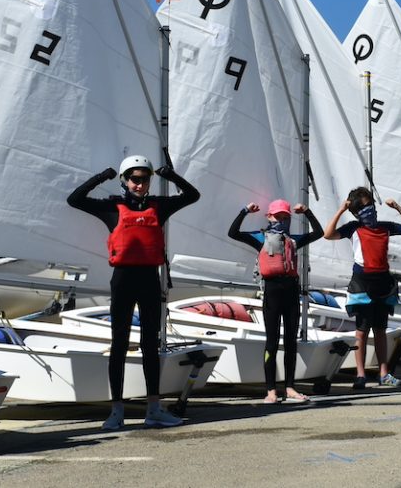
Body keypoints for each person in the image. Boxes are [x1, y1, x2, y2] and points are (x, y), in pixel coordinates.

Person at [67, 155, 199, 430]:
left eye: (145, 179)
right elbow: (75, 199)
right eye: (134, 179)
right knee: (119, 345)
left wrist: (170, 176)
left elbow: (192, 195)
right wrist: (102, 176)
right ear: (125, 181)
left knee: (150, 345)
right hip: (123, 279)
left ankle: (154, 409)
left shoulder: (158, 206)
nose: (140, 184)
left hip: (149, 279)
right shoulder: (111, 206)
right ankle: (116, 412)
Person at [228, 198, 323, 403]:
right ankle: (270, 390)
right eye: (277, 216)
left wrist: (307, 212)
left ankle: (290, 387)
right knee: (271, 342)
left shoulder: (294, 240)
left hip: (290, 292)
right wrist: (245, 210)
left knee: (291, 342)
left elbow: (319, 233)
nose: (281, 220)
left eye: (285, 217)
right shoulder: (260, 237)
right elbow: (232, 233)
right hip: (272, 293)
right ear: (269, 217)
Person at [323, 186, 401, 390]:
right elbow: (328, 234)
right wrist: (341, 209)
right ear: (357, 212)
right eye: (365, 207)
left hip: (383, 283)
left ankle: (384, 374)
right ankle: (360, 375)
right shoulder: (353, 227)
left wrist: (398, 208)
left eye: (372, 206)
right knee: (362, 332)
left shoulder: (384, 226)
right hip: (362, 284)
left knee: (381, 330)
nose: (371, 210)